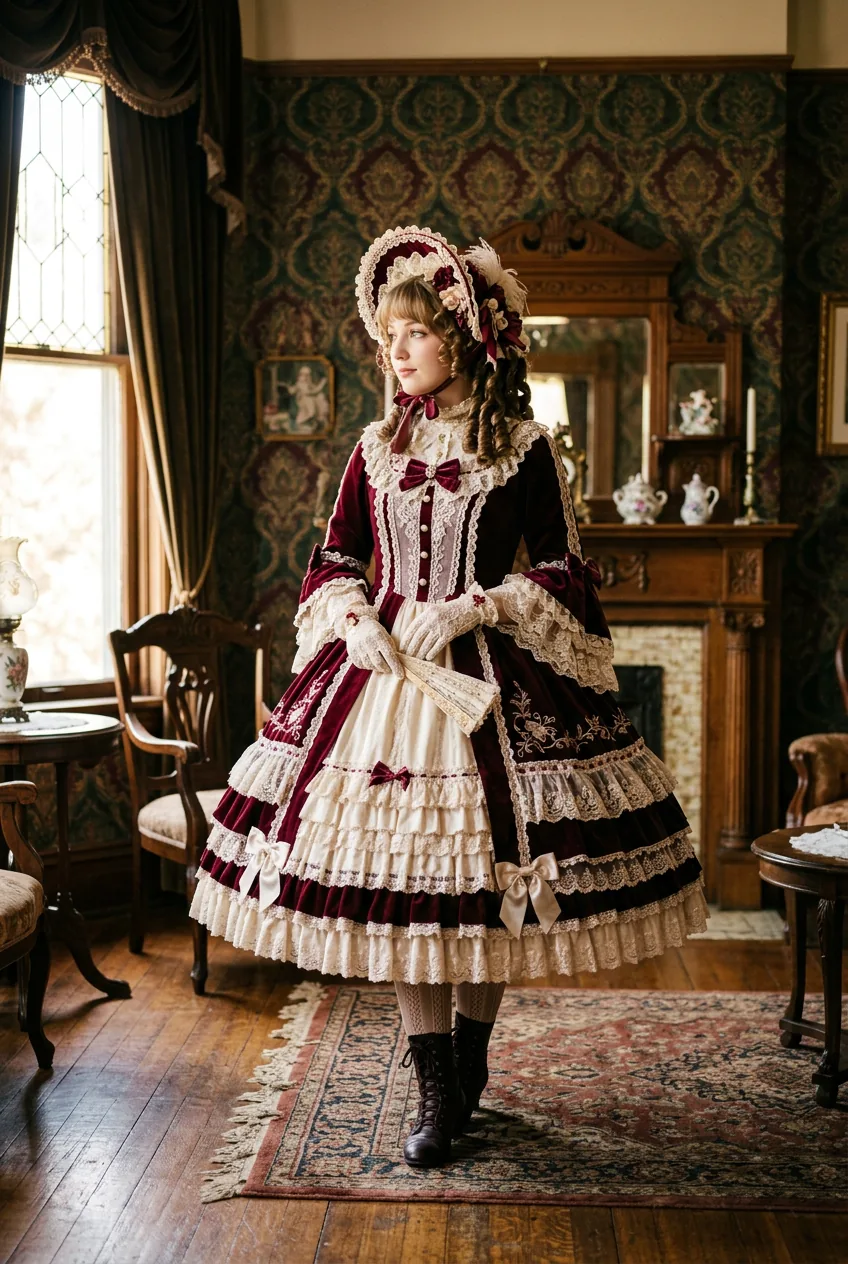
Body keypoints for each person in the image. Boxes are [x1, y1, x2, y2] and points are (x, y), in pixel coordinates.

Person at [190, 225, 708, 1170]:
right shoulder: (374, 448)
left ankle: (468, 1062)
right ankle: (434, 1087)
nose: (394, 349)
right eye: (387, 334)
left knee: (484, 884)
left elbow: (565, 571)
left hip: (486, 676)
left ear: (464, 338)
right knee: (413, 894)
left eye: (414, 334)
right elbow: (335, 556)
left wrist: (478, 602)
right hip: (381, 679)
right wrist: (355, 617)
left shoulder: (522, 447)